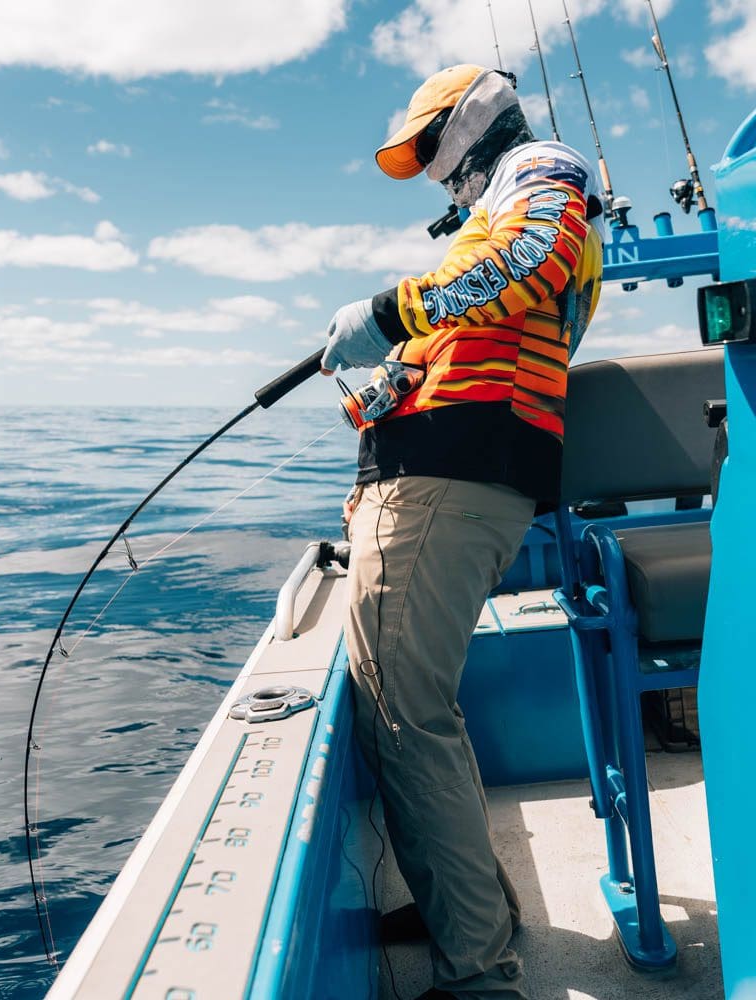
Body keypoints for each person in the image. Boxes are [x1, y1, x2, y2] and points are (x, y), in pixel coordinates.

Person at [321, 64, 604, 1000]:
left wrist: (387, 312)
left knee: (405, 714)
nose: (441, 183)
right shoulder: (497, 212)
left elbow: (537, 259)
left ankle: (479, 968)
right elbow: (479, 333)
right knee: (410, 710)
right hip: (439, 474)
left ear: (472, 126)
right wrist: (390, 379)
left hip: (453, 480)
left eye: (436, 155)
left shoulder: (542, 174)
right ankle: (470, 903)